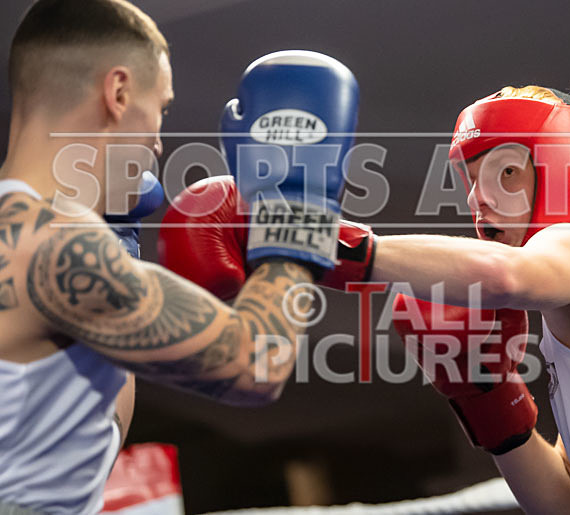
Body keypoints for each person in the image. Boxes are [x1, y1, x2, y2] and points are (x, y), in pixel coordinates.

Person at [172, 84, 570, 514]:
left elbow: (510, 277)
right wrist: (490, 402)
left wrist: (317, 241)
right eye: (474, 179)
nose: (481, 200)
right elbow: (569, 506)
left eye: (509, 172)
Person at [0, 0, 357, 513]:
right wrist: (296, 209)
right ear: (118, 92)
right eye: (160, 108)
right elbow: (255, 364)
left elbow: (86, 442)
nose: (159, 143)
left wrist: (116, 235)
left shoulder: (33, 233)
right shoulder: (55, 245)